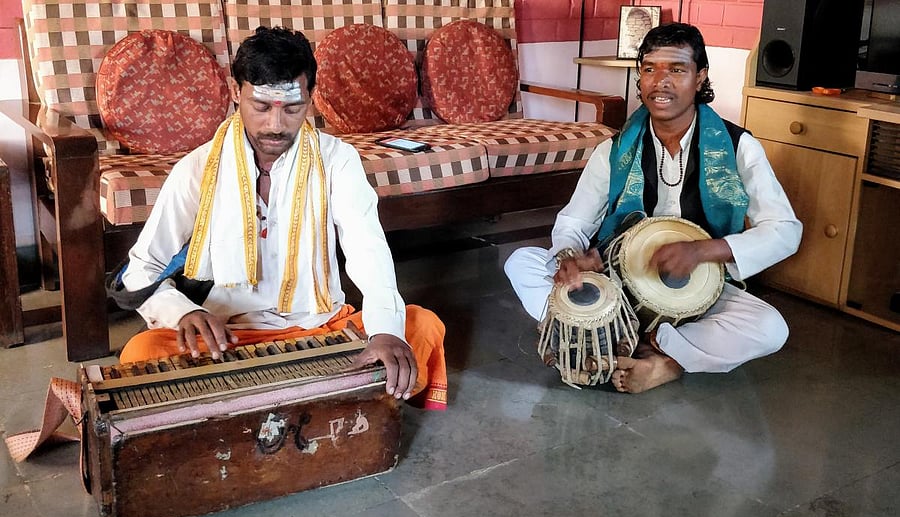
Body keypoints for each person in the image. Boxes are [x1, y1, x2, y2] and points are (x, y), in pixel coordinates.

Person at [114, 26, 447, 410]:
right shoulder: (198, 167)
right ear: (236, 92)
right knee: (142, 351)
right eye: (260, 107)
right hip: (228, 335)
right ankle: (324, 394)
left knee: (420, 324)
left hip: (322, 328)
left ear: (310, 99)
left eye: (292, 108)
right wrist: (184, 311)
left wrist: (386, 332)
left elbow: (367, 248)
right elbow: (140, 268)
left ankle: (248, 399)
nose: (275, 125)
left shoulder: (336, 159)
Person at [504, 23, 801, 394]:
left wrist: (703, 251)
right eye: (649, 69)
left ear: (700, 77)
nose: (660, 81)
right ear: (640, 77)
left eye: (676, 69)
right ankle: (642, 345)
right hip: (617, 278)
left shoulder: (739, 147)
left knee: (770, 328)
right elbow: (575, 221)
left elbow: (785, 230)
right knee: (521, 262)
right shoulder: (613, 150)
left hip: (697, 289)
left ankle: (653, 358)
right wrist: (570, 256)